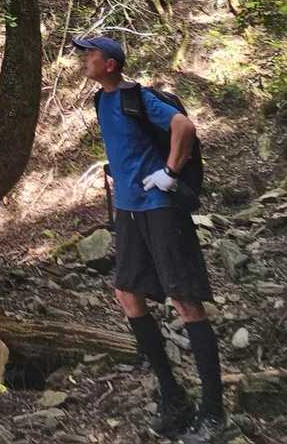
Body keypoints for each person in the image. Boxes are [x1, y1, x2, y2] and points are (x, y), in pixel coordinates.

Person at [72, 35, 226, 442]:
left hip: (160, 208)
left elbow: (183, 126)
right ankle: (174, 397)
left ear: (110, 64)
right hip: (129, 210)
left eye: (91, 54)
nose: (85, 59)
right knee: (127, 294)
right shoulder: (101, 101)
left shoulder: (136, 98)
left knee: (185, 301)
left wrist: (170, 173)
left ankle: (214, 413)